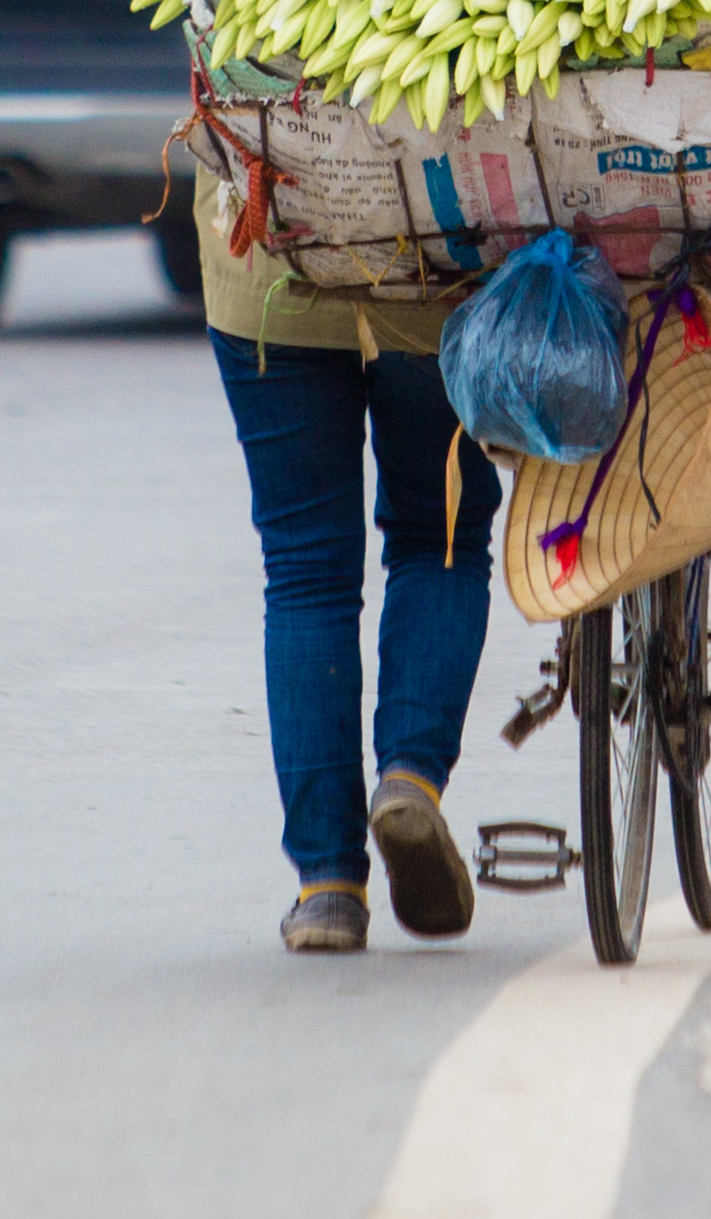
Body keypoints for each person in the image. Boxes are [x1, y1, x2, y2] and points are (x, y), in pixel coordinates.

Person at [200, 180, 502, 951]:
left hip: (267, 277)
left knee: (304, 570)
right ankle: (409, 776)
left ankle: (327, 885)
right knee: (439, 536)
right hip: (434, 276)